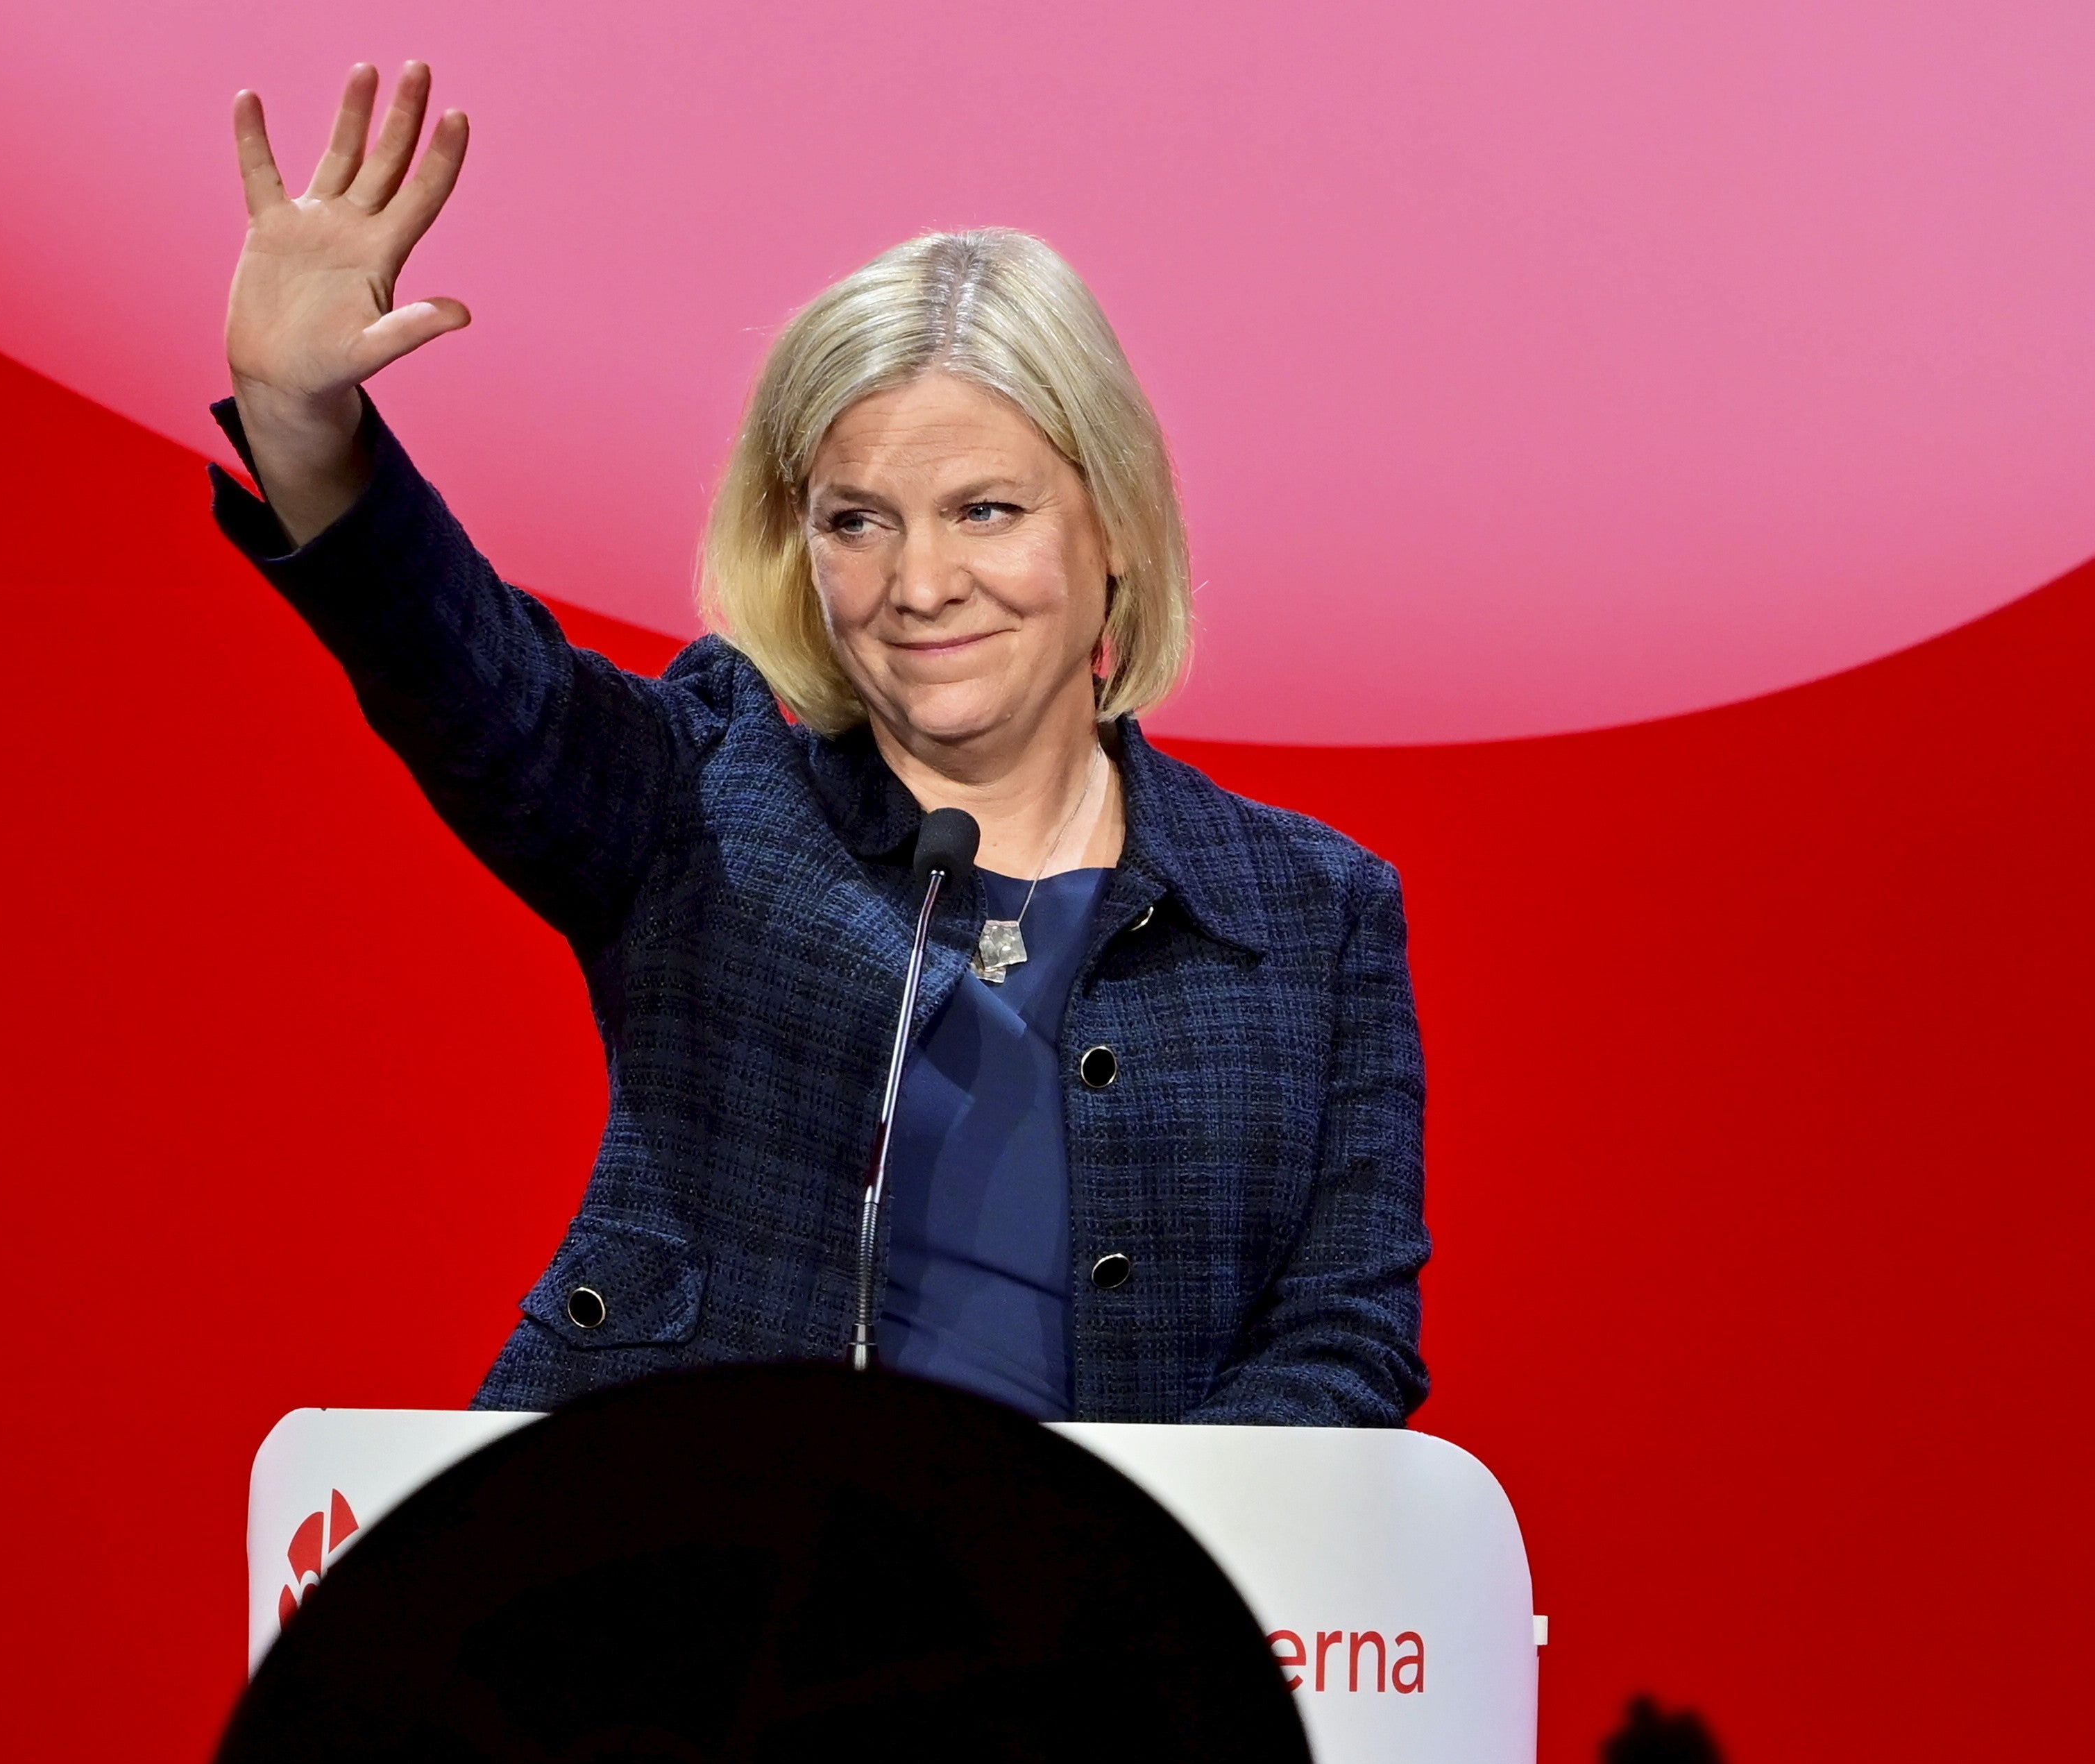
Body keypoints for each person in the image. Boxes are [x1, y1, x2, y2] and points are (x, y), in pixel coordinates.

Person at [216, 61, 1430, 1423]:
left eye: (983, 511)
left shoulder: (1314, 910)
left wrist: (1122, 1539)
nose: (919, 585)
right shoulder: (704, 801)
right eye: (858, 522)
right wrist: (303, 426)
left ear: (1116, 524)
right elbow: (475, 676)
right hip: (694, 1539)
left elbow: (1344, 1339)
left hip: (1099, 1564)